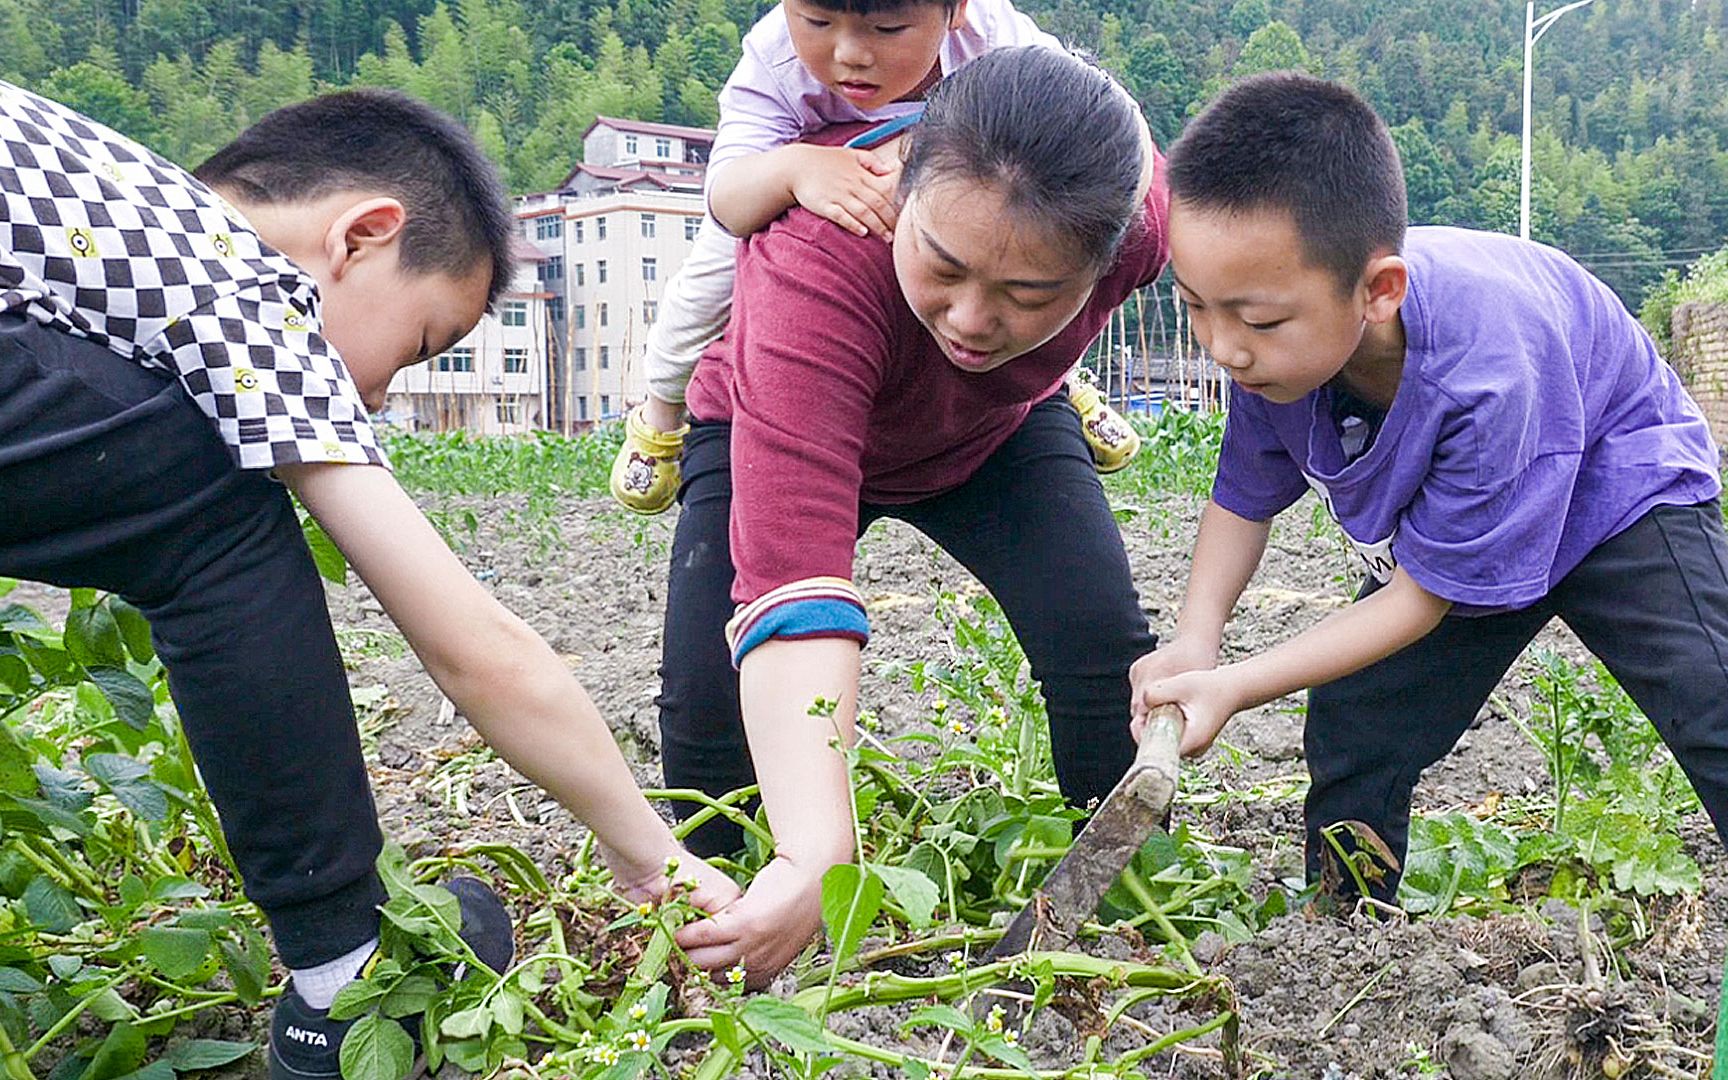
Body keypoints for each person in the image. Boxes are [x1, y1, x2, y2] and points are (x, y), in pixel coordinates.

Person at [0, 82, 739, 1078]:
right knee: (209, 508)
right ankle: (344, 974)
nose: (381, 393)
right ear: (361, 237)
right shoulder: (238, 281)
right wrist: (647, 852)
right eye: (422, 344)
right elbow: (468, 646)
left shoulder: (112, 204)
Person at [1131, 72, 1728, 906]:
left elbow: (1418, 603)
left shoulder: (1483, 372)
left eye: (1258, 321)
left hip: (1615, 487)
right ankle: (1342, 925)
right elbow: (1242, 499)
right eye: (1197, 307)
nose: (1225, 347)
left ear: (1378, 292)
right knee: (1360, 717)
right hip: (1469, 508)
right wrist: (1197, 640)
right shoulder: (1275, 362)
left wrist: (1234, 684)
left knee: (1713, 698)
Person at [647, 48, 1168, 982]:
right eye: (944, 265)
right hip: (775, 422)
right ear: (903, 187)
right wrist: (817, 853)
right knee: (706, 700)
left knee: (1098, 644)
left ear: (1108, 263)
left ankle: (1125, 886)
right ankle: (716, 918)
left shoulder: (1144, 221)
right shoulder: (816, 264)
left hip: (991, 429)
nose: (970, 318)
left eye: (1028, 295)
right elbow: (794, 584)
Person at [605, 0, 1141, 516]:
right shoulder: (774, 58)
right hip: (799, 191)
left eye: (887, 30)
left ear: (957, 9)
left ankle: (1062, 381)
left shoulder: (994, 34)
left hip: (964, 197)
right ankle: (661, 412)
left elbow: (1109, 118)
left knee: (1033, 261)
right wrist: (798, 169)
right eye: (816, 20)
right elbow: (726, 197)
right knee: (707, 280)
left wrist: (910, 149)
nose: (850, 54)